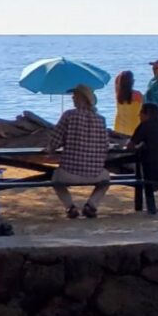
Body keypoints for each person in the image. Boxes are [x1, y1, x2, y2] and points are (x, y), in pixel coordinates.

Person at [46, 84, 112, 219]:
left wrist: (50, 149)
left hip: (69, 173)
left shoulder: (69, 115)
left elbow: (55, 141)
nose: (72, 98)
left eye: (75, 95)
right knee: (106, 178)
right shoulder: (101, 119)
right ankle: (92, 205)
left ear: (82, 98)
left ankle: (70, 207)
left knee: (55, 178)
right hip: (95, 174)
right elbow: (106, 145)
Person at [113, 70, 143, 136]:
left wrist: (121, 76)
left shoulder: (118, 95)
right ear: (131, 82)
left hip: (118, 128)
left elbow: (116, 82)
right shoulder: (137, 95)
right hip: (134, 128)